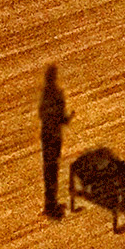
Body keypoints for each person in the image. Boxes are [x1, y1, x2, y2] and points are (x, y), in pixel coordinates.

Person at [39, 65, 73, 218]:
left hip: (46, 135)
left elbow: (42, 114)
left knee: (48, 170)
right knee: (53, 170)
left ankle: (49, 203)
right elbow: (62, 118)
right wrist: (68, 118)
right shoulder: (58, 94)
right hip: (55, 136)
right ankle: (52, 205)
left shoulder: (45, 94)